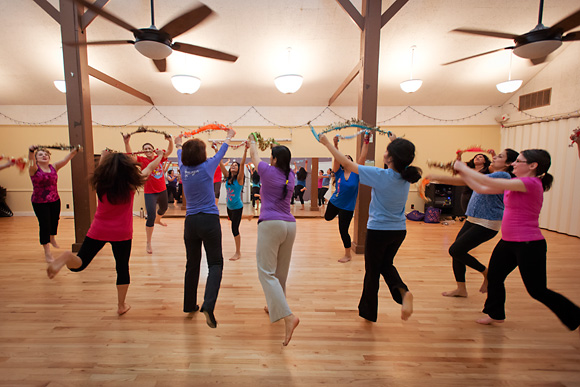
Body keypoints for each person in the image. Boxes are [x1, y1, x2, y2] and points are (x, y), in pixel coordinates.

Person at [454, 150, 580, 331]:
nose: (513, 164)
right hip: (508, 241)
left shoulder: (530, 183)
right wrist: (463, 172)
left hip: (529, 244)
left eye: (518, 161)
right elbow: (482, 188)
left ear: (532, 166)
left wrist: (462, 167)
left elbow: (486, 180)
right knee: (495, 277)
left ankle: (575, 315)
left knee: (537, 290)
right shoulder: (515, 183)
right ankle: (495, 314)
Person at [46, 149, 165, 315]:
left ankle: (67, 256)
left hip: (98, 230)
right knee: (122, 268)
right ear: (128, 169)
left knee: (79, 264)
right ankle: (121, 305)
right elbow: (151, 167)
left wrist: (103, 156)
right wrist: (159, 156)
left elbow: (101, 168)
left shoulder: (100, 182)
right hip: (121, 233)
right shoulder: (131, 185)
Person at [318, 132, 420, 322]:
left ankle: (376, 308)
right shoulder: (407, 175)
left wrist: (327, 144)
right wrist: (395, 140)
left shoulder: (381, 175)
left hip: (379, 231)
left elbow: (348, 165)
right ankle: (401, 294)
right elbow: (404, 156)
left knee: (373, 272)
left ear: (390, 158)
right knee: (385, 265)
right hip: (399, 231)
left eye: (387, 150)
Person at [427, 149, 519, 297]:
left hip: (487, 222)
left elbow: (471, 180)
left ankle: (486, 272)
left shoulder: (503, 175)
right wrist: (439, 177)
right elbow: (468, 181)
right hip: (473, 219)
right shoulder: (491, 175)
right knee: (457, 253)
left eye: (500, 156)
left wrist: (452, 171)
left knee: (455, 250)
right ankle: (461, 289)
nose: (494, 158)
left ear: (508, 164)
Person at [175, 129, 235, 329]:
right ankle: (208, 305)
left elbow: (178, 152)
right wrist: (228, 136)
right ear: (202, 155)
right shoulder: (208, 167)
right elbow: (221, 153)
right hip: (209, 220)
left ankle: (189, 304)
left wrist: (177, 143)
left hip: (190, 222)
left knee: (192, 264)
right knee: (215, 264)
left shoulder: (183, 168)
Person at [248, 135, 300, 346]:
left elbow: (253, 155)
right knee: (280, 275)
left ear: (275, 159)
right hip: (290, 225)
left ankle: (288, 317)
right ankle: (274, 306)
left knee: (266, 273)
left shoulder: (268, 172)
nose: (269, 159)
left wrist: (252, 140)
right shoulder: (292, 176)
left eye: (272, 157)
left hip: (271, 224)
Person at [123, 133, 173, 254]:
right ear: (143, 152)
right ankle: (149, 242)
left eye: (149, 148)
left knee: (164, 208)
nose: (147, 150)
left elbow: (170, 151)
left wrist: (170, 140)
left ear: (153, 150)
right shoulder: (141, 160)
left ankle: (158, 219)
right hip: (150, 192)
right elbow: (130, 157)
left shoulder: (160, 157)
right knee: (150, 216)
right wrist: (126, 143)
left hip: (162, 190)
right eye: (145, 149)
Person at [28, 145, 79, 262]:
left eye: (46, 154)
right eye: (40, 155)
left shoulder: (54, 167)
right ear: (36, 159)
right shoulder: (34, 169)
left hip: (55, 199)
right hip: (40, 202)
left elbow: (66, 159)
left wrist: (74, 151)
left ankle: (52, 237)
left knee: (55, 220)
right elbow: (30, 160)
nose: (44, 156)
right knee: (44, 224)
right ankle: (47, 252)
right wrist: (31, 151)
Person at [324, 135, 369, 263]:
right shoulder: (338, 172)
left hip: (347, 207)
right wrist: (335, 145)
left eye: (349, 158)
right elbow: (336, 157)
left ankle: (348, 255)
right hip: (335, 202)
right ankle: (337, 213)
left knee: (343, 230)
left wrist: (366, 142)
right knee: (327, 217)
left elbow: (362, 157)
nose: (346, 159)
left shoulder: (357, 173)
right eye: (345, 158)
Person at [219, 142, 249, 261]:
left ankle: (238, 252)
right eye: (232, 165)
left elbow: (242, 164)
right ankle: (247, 216)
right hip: (229, 207)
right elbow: (220, 163)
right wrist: (217, 150)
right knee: (234, 225)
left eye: (235, 165)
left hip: (237, 208)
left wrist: (245, 150)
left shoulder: (239, 179)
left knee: (234, 229)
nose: (233, 166)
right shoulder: (227, 177)